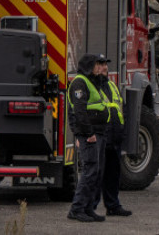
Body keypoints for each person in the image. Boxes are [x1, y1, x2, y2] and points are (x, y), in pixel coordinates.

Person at [66, 53, 116, 223]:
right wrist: (89, 134)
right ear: (88, 66)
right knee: (89, 171)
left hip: (98, 133)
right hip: (90, 134)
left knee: (96, 172)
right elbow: (79, 112)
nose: (99, 67)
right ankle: (77, 209)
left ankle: (87, 208)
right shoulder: (80, 83)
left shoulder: (93, 82)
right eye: (96, 64)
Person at [98, 61, 132, 217]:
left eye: (106, 65)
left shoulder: (112, 86)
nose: (105, 68)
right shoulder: (91, 87)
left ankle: (113, 206)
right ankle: (89, 208)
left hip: (114, 138)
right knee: (95, 175)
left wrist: (121, 133)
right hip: (100, 138)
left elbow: (121, 109)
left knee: (113, 174)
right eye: (101, 65)